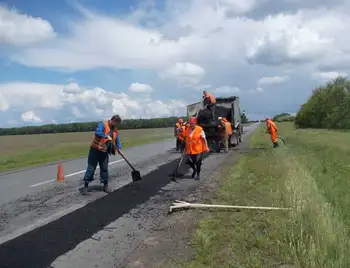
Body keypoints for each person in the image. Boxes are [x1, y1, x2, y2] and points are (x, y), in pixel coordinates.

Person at [81, 115, 123, 195]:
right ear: (112, 120)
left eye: (117, 123)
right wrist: (106, 136)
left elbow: (117, 141)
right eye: (115, 122)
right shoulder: (103, 124)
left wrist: (120, 149)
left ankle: (105, 186)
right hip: (95, 150)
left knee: (104, 168)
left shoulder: (115, 130)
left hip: (104, 151)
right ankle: (85, 187)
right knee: (91, 167)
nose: (115, 124)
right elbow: (97, 132)